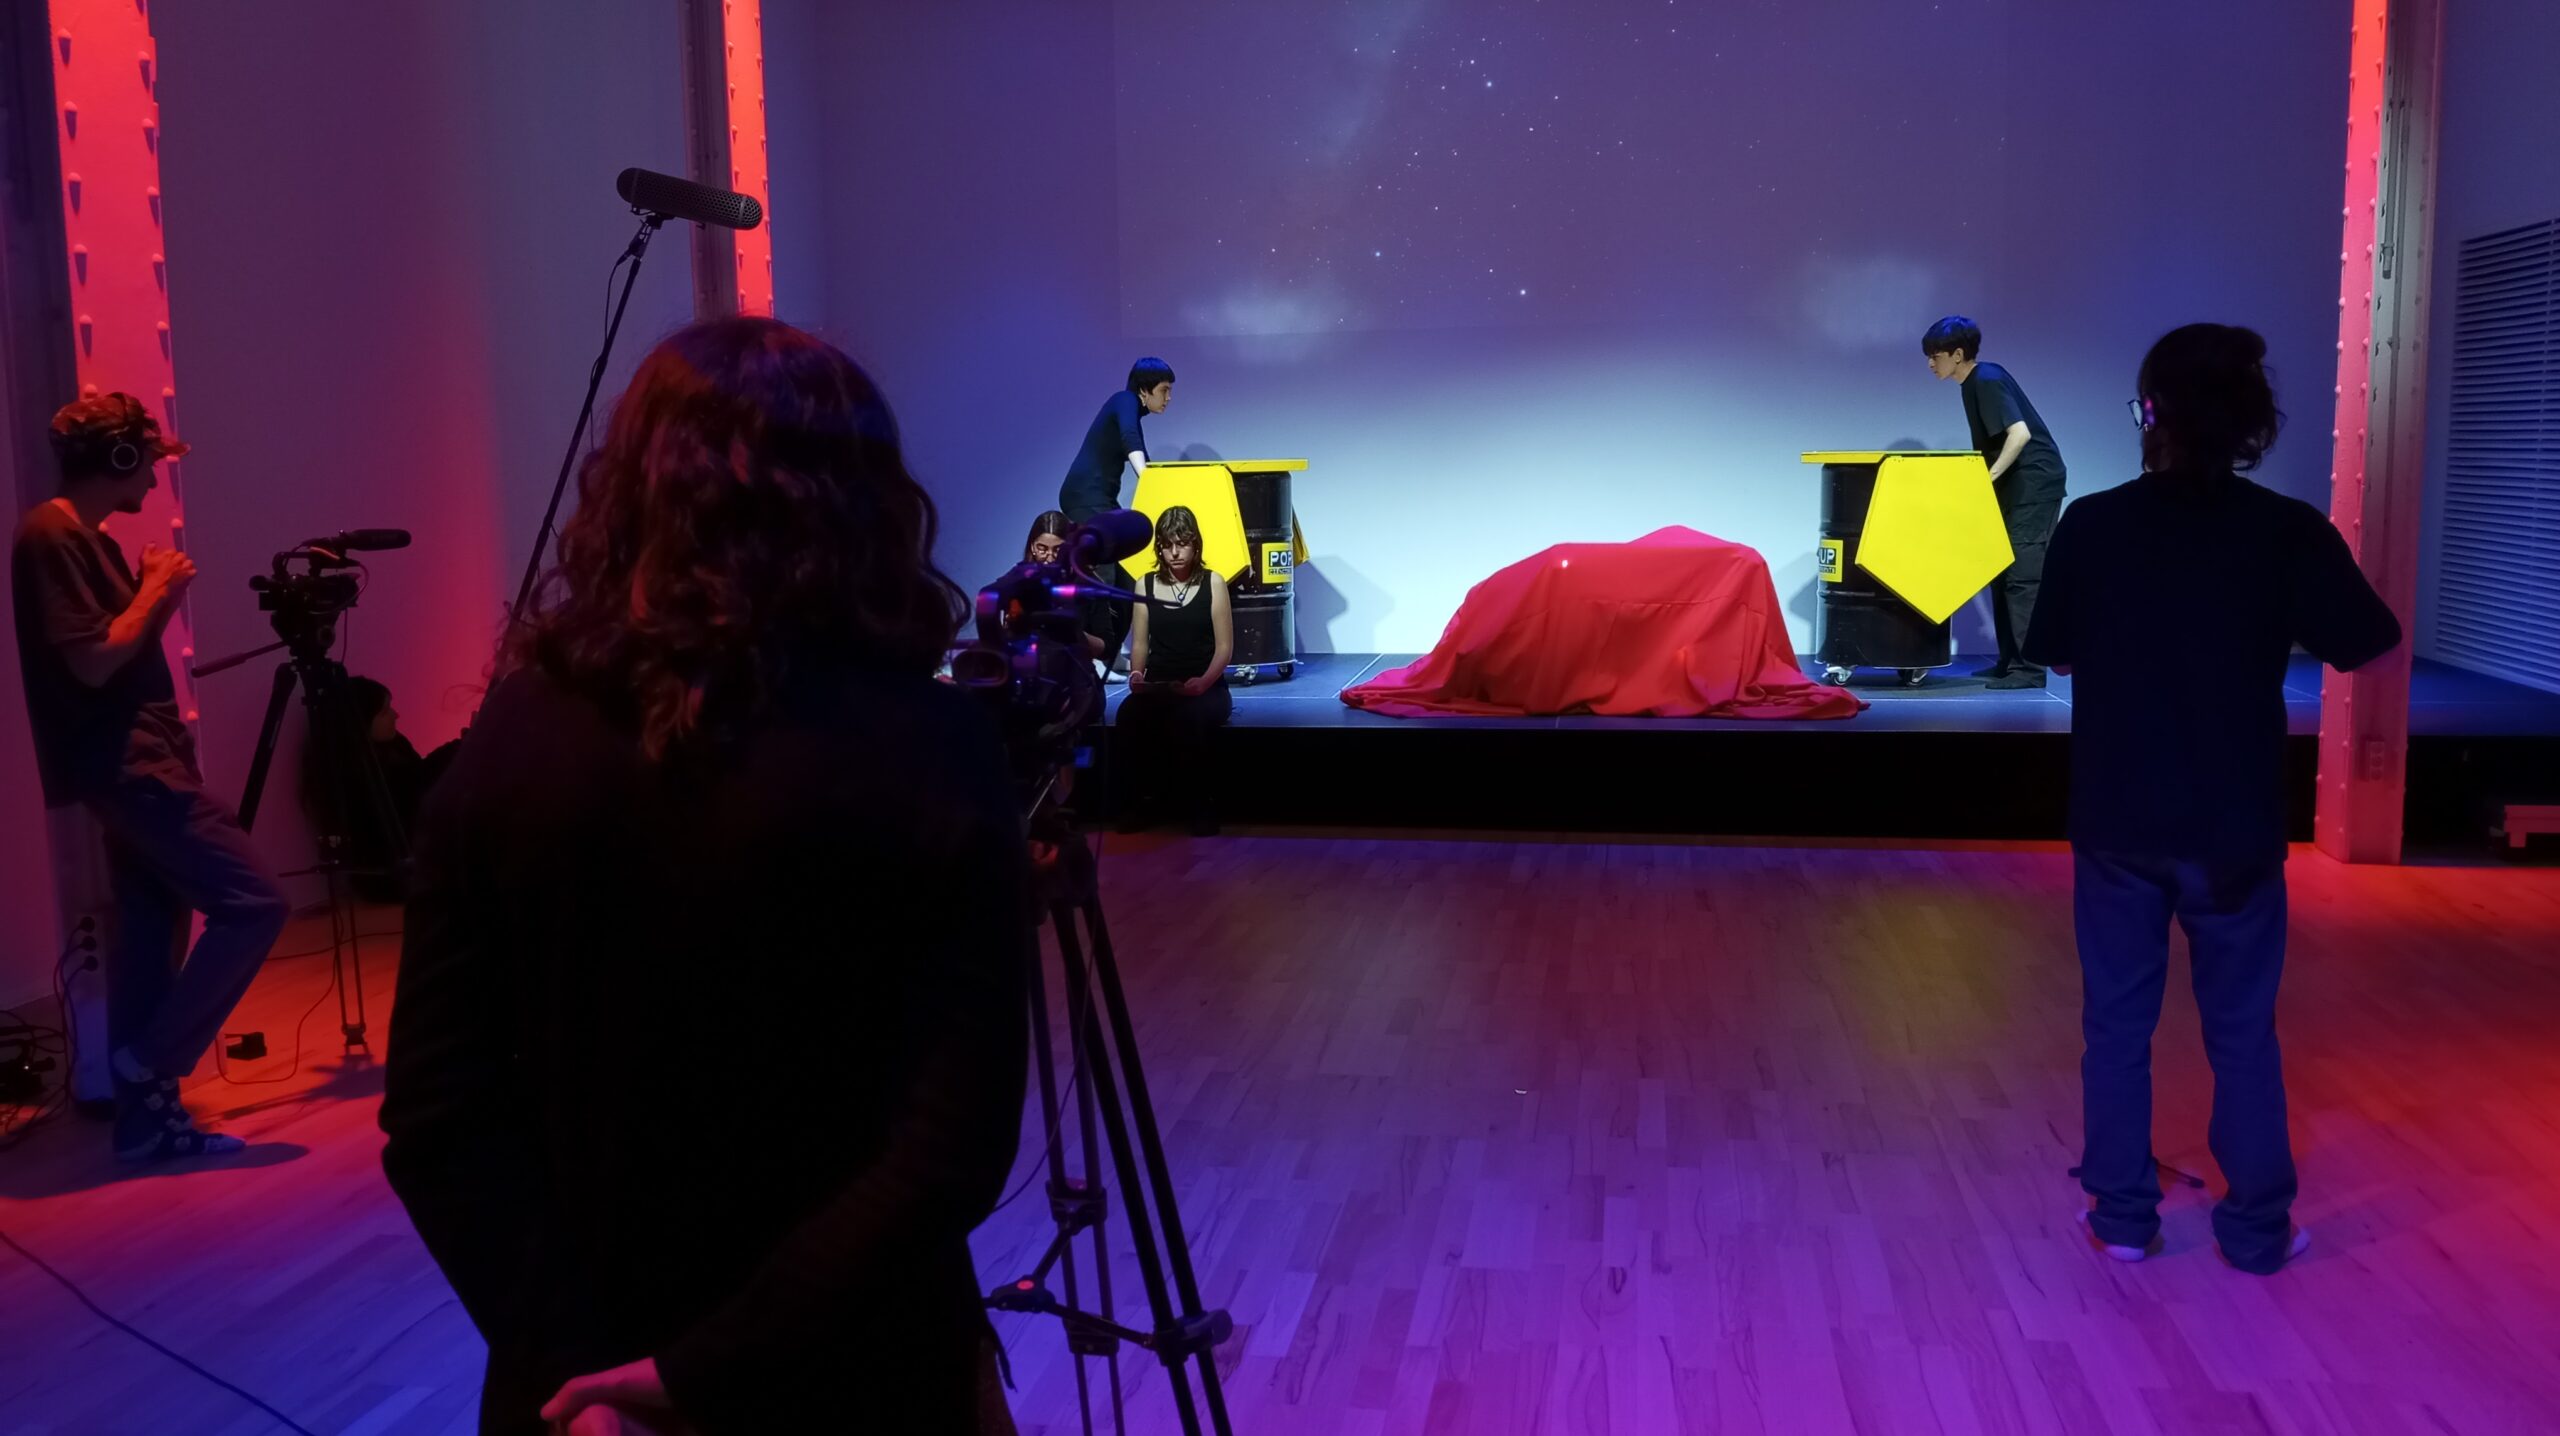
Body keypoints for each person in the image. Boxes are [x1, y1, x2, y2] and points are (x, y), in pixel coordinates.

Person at [379, 317, 1031, 1435]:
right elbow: (948, 1147)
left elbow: (438, 1119)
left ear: (631, 491)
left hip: (579, 1395)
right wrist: (700, 1372)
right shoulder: (936, 749)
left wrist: (583, 1370)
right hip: (857, 1370)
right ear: (867, 499)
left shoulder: (508, 742)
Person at [2023, 323, 2400, 1275]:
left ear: (2150, 414)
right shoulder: (2285, 530)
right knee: (2242, 1032)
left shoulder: (2093, 525)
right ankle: (2258, 1231)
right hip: (2236, 821)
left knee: (2116, 1025)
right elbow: (2368, 642)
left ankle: (2122, 1220)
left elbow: (2053, 650)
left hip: (2118, 816)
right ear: (2250, 421)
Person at [11, 393, 289, 1161]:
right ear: (120, 458)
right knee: (256, 903)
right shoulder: (50, 536)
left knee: (147, 928)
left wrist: (153, 596)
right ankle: (149, 1061)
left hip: (141, 757)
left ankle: (143, 1128)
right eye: (148, 462)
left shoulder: (88, 538)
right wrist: (157, 589)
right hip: (130, 764)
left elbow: (117, 650)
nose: (153, 478)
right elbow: (94, 663)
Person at [1924, 316, 2068, 688]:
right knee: (2002, 571)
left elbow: (2019, 434)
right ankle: (2008, 662)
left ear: (1957, 354)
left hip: (2033, 485)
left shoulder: (1986, 379)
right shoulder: (1972, 383)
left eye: (1935, 355)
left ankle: (2028, 669)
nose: (1930, 363)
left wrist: (1988, 477)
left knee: (2022, 576)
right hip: (2016, 488)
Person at [1114, 505, 1231, 835]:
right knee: (1129, 715)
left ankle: (1200, 805)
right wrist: (1137, 675)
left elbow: (1224, 648)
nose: (1175, 552)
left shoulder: (1213, 582)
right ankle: (1142, 803)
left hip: (1206, 686)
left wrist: (1203, 683)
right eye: (1167, 545)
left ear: (1196, 544)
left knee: (1190, 718)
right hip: (1161, 684)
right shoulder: (1145, 584)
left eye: (1182, 544)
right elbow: (1140, 643)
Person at [296, 675, 459, 902]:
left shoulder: (394, 744)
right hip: (389, 875)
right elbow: (413, 785)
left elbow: (418, 776)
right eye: (384, 712)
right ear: (361, 722)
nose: (395, 715)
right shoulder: (350, 773)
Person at [1058, 357, 1175, 668]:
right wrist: (1147, 479)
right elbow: (1130, 439)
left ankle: (1109, 652)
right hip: (1085, 496)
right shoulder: (1124, 400)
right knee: (1104, 576)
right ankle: (1094, 654)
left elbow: (1140, 452)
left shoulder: (1132, 409)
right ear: (1144, 389)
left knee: (1127, 579)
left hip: (1101, 501)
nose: (1168, 397)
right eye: (1164, 390)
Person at [1020, 510, 1108, 663]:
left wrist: (1073, 634)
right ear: (1032, 547)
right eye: (1042, 549)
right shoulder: (1018, 580)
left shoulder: (1089, 585)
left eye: (1058, 550)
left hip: (1074, 669)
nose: (1050, 558)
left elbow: (1107, 648)